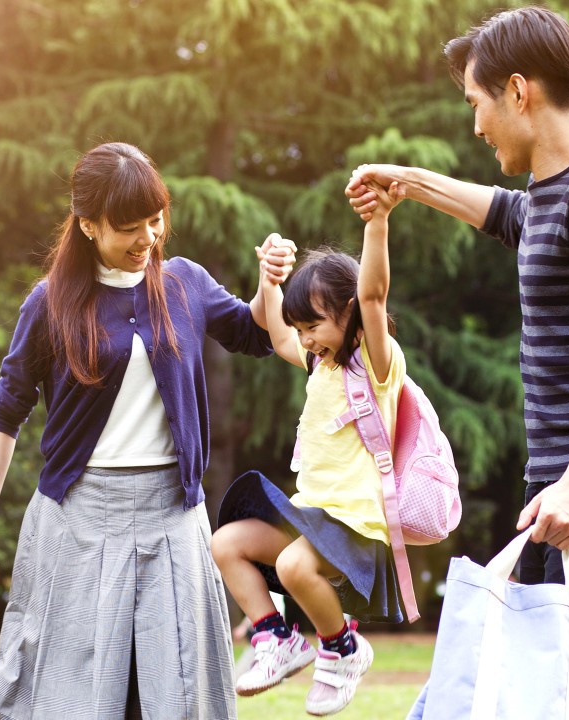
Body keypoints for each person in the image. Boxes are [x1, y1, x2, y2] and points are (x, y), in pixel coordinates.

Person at [345, 7, 569, 718]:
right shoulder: (552, 196)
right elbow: (500, 212)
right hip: (564, 492)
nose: (476, 127)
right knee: (531, 700)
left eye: (477, 104)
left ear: (518, 91)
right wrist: (403, 182)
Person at [0, 141, 294, 719]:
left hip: (172, 516)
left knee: (179, 694)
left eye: (155, 221)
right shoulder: (50, 303)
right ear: (88, 225)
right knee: (72, 697)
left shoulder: (184, 284)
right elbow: (6, 410)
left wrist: (270, 283)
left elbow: (256, 333)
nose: (148, 239)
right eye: (128, 227)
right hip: (80, 518)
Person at [210, 179, 406, 716]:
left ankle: (342, 647)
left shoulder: (375, 367)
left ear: (349, 313)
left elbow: (373, 294)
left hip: (356, 525)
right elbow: (276, 338)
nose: (308, 337)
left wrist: (377, 221)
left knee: (296, 567)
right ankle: (277, 638)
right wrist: (270, 279)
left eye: (315, 325)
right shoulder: (319, 365)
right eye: (303, 327)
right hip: (313, 519)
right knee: (225, 543)